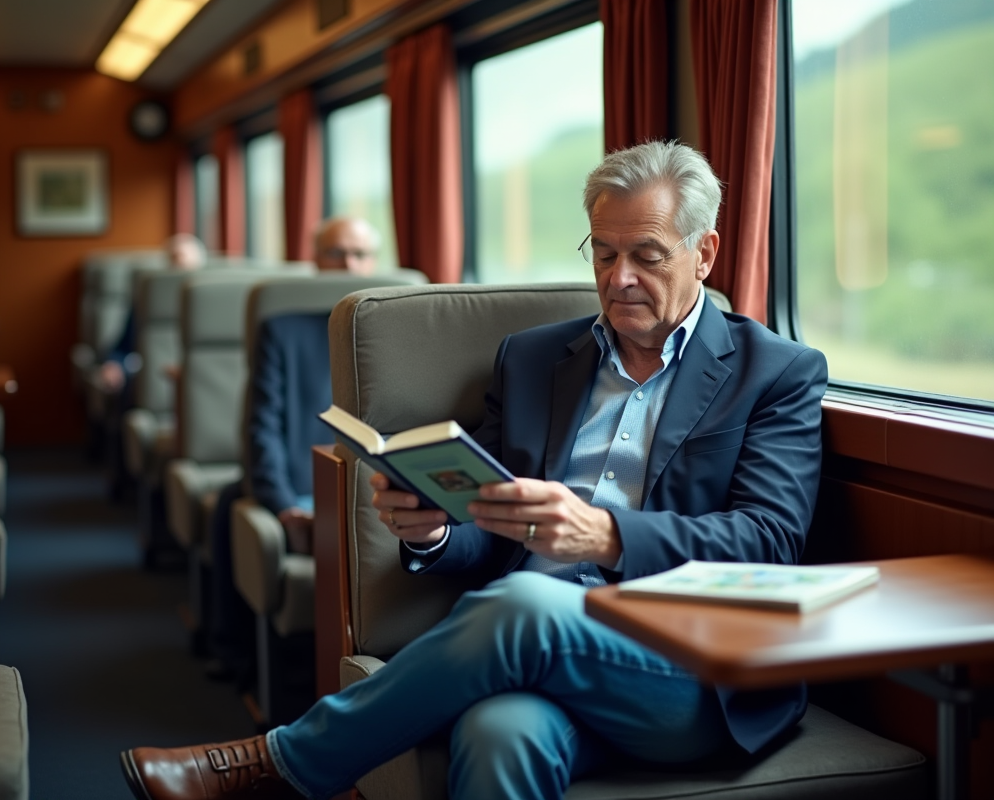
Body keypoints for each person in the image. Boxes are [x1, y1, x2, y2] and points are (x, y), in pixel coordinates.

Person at [120, 141, 829, 800]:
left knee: (525, 603)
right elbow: (490, 529)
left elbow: (768, 540)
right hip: (532, 654)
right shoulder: (532, 361)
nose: (619, 279)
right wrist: (432, 531)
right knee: (497, 735)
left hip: (689, 673)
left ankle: (281, 765)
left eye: (646, 255)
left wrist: (606, 536)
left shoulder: (774, 372)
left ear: (703, 253)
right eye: (604, 253)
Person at [204, 217, 380, 679]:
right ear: (315, 260)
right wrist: (284, 509)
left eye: (361, 254)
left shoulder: (397, 328)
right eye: (337, 254)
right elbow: (262, 432)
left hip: (374, 497)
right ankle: (238, 654)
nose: (350, 265)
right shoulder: (282, 330)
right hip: (301, 490)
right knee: (231, 500)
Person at [97, 232, 207, 394]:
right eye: (175, 262)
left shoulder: (210, 310)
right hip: (152, 386)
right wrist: (114, 365)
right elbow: (122, 347)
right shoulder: (147, 303)